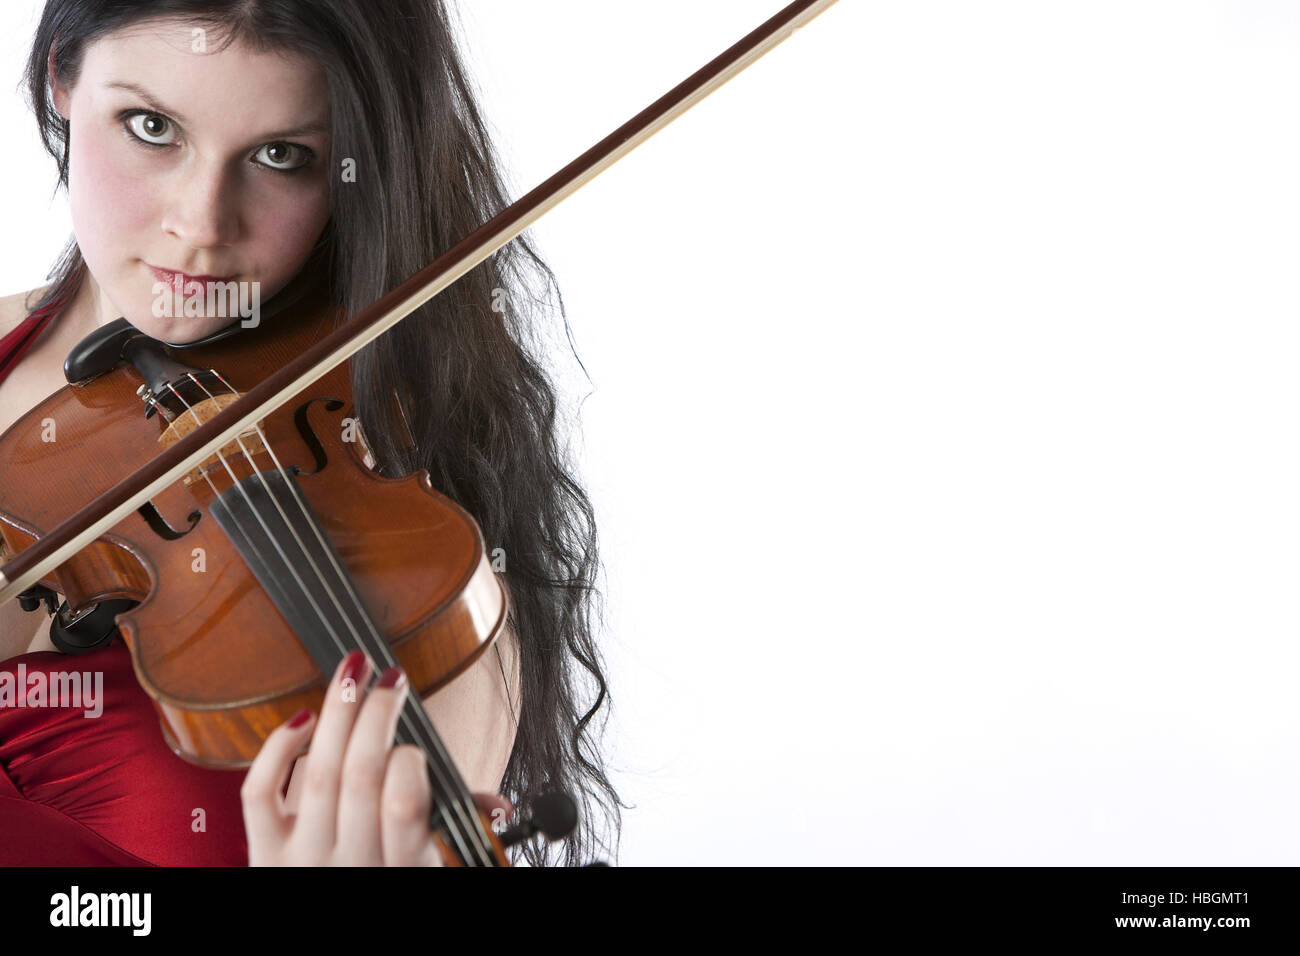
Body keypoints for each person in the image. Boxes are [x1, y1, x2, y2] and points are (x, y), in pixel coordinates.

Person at [0, 0, 621, 866]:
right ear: (63, 78)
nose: (203, 226)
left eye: (282, 156)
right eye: (150, 127)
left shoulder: (421, 585)